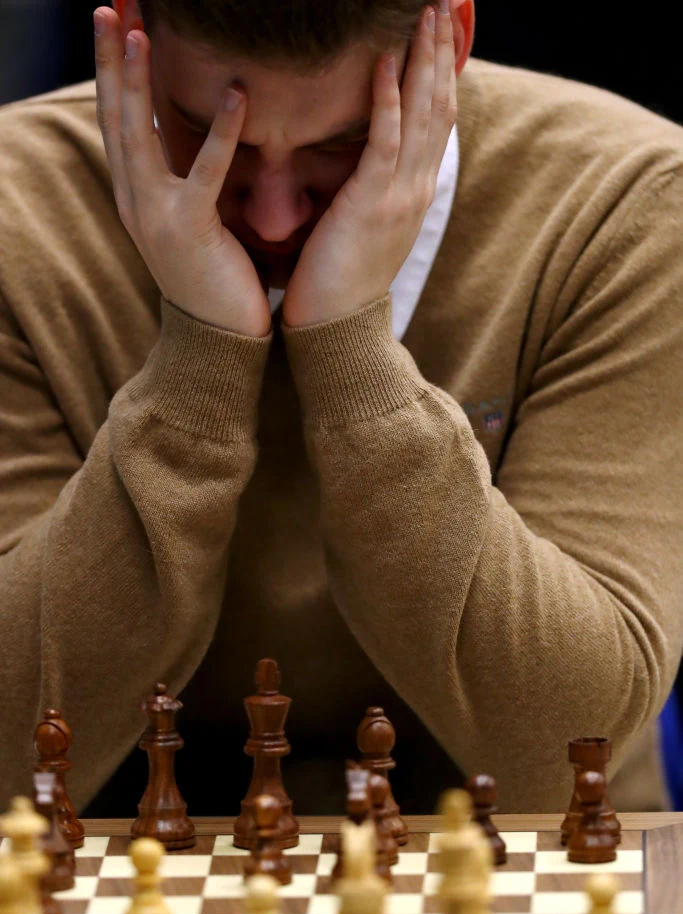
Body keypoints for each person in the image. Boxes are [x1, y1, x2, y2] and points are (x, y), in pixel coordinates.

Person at [0, 0, 681, 818]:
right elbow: (10, 752)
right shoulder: (16, 210)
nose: (273, 216)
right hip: (86, 876)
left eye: (341, 146)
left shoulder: (629, 202)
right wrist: (203, 353)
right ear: (129, 34)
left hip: (538, 875)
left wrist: (350, 346)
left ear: (450, 43)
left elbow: (570, 746)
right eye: (206, 137)